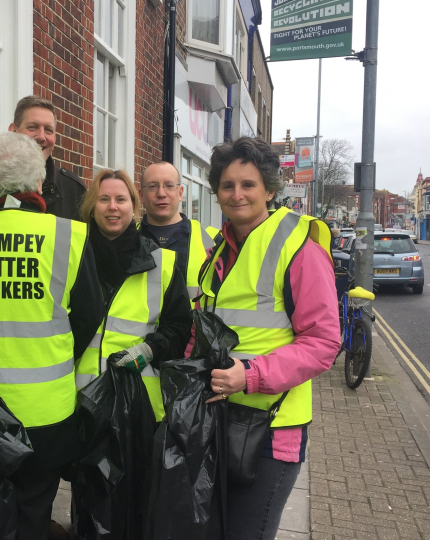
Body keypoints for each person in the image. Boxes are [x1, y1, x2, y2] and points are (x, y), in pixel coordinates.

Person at [0, 131, 105, 540]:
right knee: (33, 514)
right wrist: (59, 349)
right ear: (37, 182)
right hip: (46, 410)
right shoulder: (68, 235)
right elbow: (90, 314)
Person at [193, 137, 340, 540]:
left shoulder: (299, 246)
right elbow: (209, 329)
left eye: (248, 184)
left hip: (272, 430)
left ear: (270, 190)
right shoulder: (220, 250)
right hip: (220, 421)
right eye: (227, 185)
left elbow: (324, 342)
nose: (236, 194)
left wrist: (250, 375)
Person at [75, 169, 191, 422]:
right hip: (76, 403)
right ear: (92, 206)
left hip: (137, 409)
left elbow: (180, 326)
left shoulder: (161, 262)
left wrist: (151, 349)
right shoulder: (71, 256)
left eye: (121, 199)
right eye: (104, 199)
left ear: (134, 206)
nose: (112, 207)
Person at [0, 95, 86, 220]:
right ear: (13, 130)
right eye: (32, 127)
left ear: (55, 138)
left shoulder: (73, 190)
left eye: (48, 130)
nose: (41, 136)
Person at [138, 161, 220, 302]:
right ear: (141, 195)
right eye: (152, 187)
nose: (161, 193)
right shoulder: (127, 238)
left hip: (194, 324)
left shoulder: (214, 240)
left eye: (169, 186)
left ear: (180, 192)